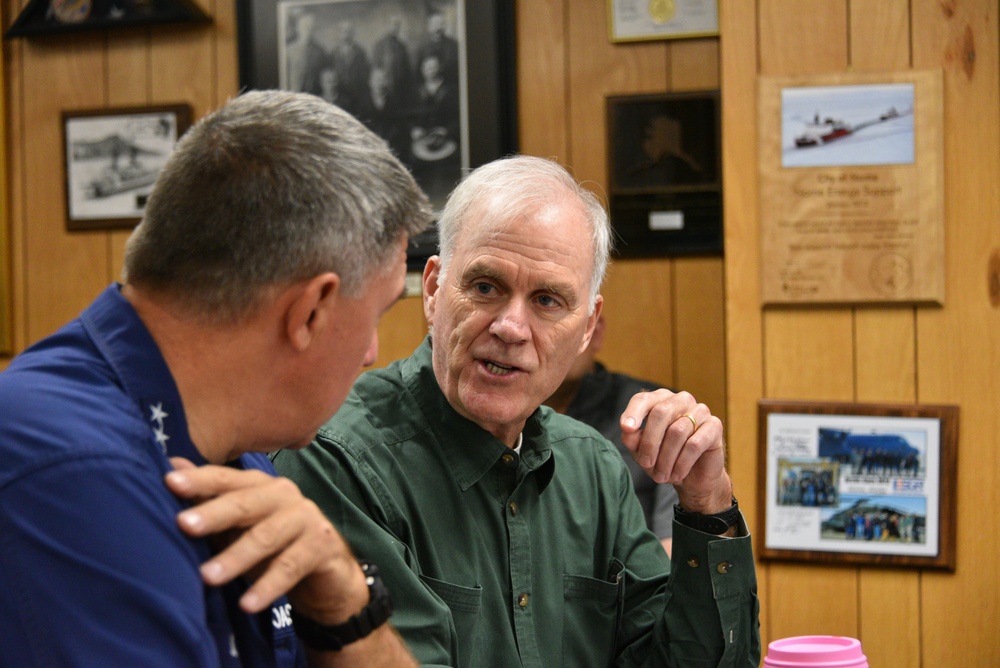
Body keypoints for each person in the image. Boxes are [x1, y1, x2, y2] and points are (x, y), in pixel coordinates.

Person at [273, 155, 761, 666]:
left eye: (548, 300)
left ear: (587, 328)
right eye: (485, 287)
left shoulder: (592, 468)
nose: (510, 327)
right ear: (435, 290)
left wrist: (708, 503)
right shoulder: (336, 459)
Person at [0, 90, 433, 666]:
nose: (372, 355)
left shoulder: (236, 454)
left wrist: (346, 606)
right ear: (310, 311)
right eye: (377, 315)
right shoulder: (72, 470)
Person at [542, 314, 679, 556]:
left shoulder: (653, 416)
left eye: (549, 305)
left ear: (594, 330)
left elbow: (674, 562)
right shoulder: (497, 414)